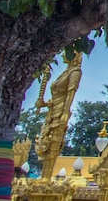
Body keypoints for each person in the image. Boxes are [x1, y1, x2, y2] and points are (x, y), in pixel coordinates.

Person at [34, 51, 82, 180]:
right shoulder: (66, 72)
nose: (63, 55)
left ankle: (46, 177)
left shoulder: (75, 72)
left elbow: (70, 94)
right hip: (52, 109)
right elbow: (57, 96)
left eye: (66, 53)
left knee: (54, 140)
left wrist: (65, 112)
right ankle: (43, 176)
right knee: (46, 140)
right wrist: (44, 103)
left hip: (60, 111)